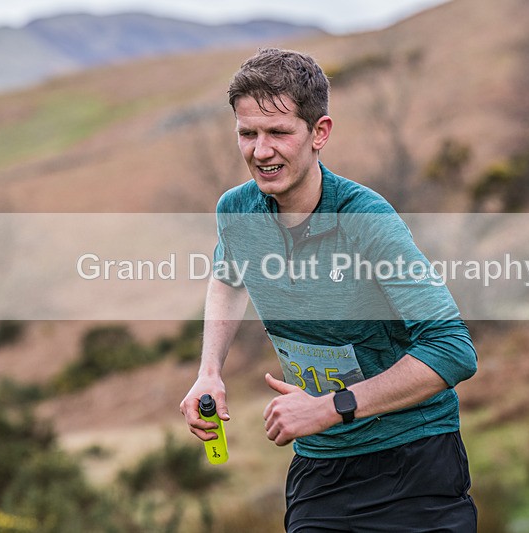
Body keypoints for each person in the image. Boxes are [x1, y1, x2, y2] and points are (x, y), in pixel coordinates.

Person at [179, 47, 478, 532]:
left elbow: (453, 351)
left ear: (319, 133)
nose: (260, 151)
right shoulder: (236, 210)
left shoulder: (367, 220)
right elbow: (228, 277)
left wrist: (331, 406)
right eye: (247, 133)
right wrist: (209, 372)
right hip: (321, 471)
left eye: (278, 132)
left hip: (415, 463)